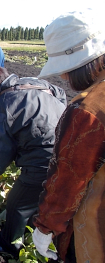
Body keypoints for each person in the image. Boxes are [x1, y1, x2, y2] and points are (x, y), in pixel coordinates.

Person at [0, 64, 67, 258]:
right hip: (68, 150)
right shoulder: (35, 83)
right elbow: (62, 95)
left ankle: (9, 246)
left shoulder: (1, 107)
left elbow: (3, 152)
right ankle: (34, 231)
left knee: (17, 204)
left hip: (42, 162)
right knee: (39, 198)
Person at [32, 10, 105, 262]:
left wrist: (45, 227)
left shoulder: (88, 111)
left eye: (66, 69)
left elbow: (68, 180)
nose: (63, 76)